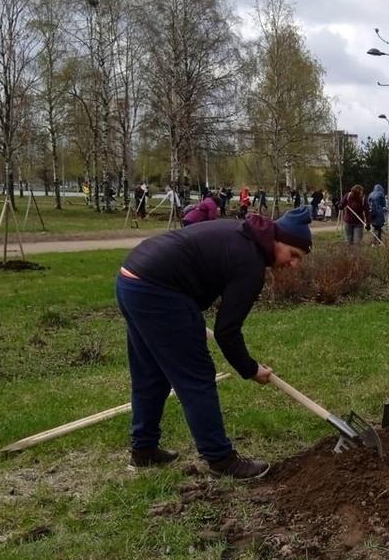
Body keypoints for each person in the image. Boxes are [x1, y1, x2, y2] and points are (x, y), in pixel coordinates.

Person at [115, 205, 313, 478]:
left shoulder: (242, 235)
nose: (293, 264)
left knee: (150, 373)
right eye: (293, 254)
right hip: (159, 290)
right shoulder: (250, 263)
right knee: (196, 376)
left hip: (130, 279)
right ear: (277, 240)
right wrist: (251, 369)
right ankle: (221, 460)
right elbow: (226, 331)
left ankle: (144, 450)